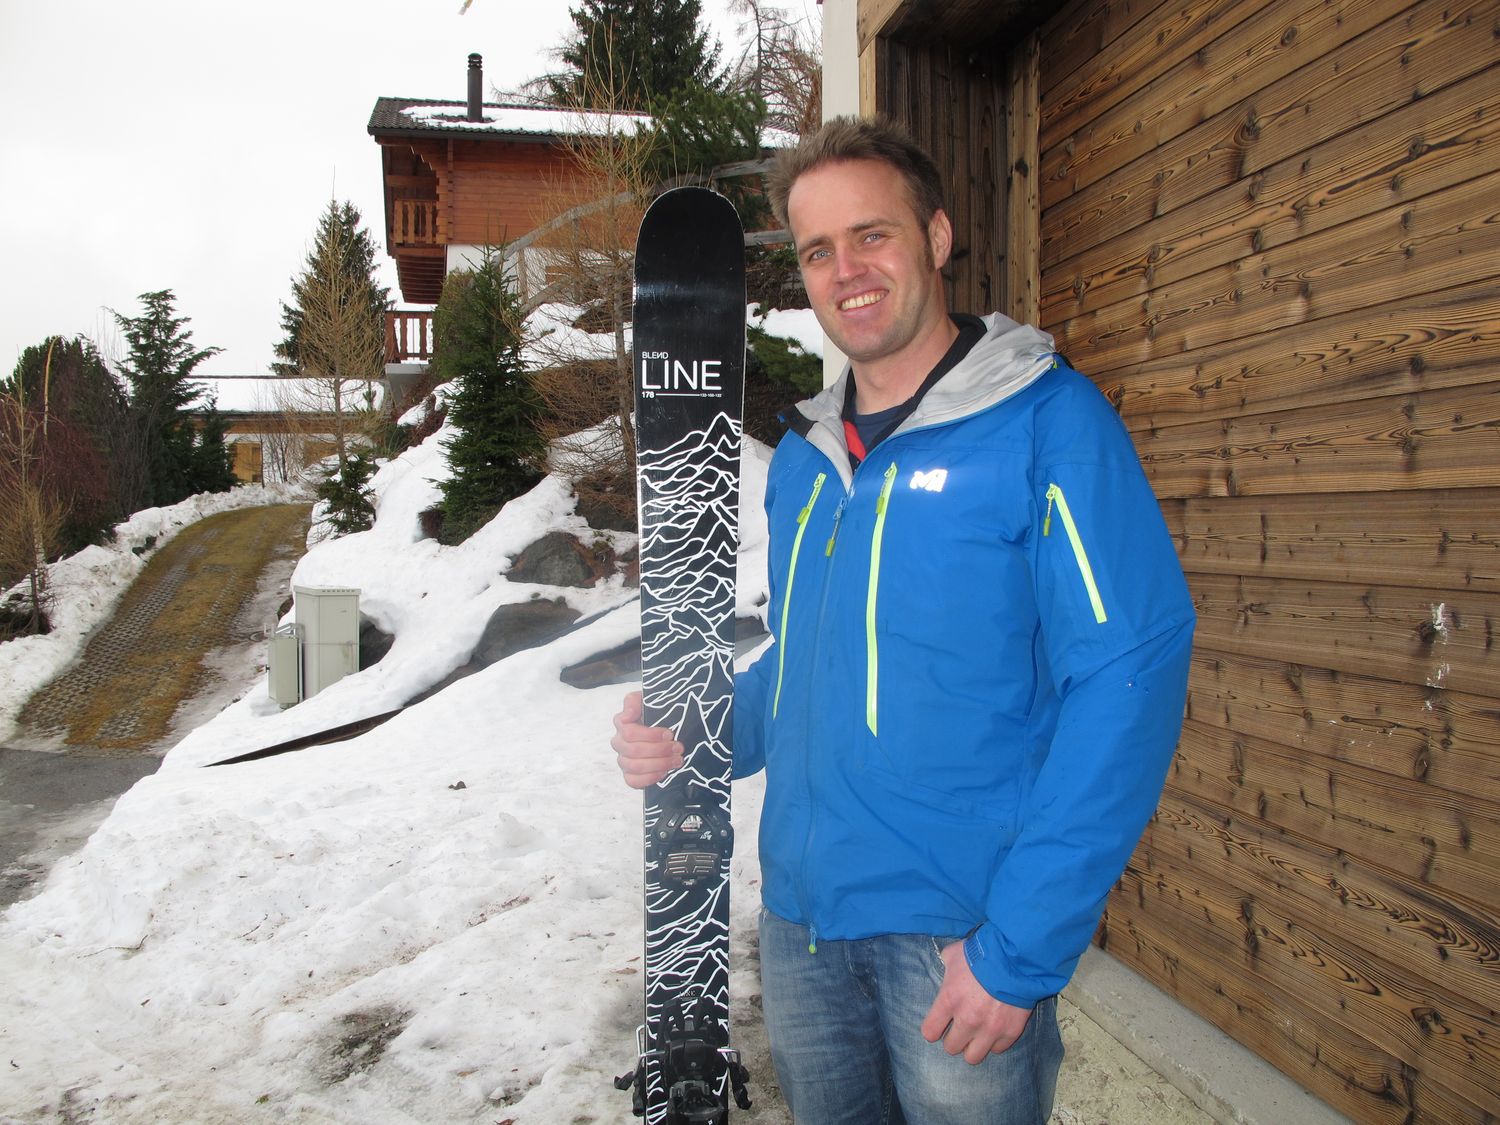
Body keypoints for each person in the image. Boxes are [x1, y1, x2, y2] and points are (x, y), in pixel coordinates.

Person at [611, 116, 1195, 1124]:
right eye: (818, 251)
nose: (848, 270)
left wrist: (1020, 947)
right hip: (802, 927)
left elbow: (1129, 679)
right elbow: (809, 664)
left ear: (935, 234)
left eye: (871, 235)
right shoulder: (804, 458)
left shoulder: (1048, 425)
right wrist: (696, 729)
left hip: (958, 939)